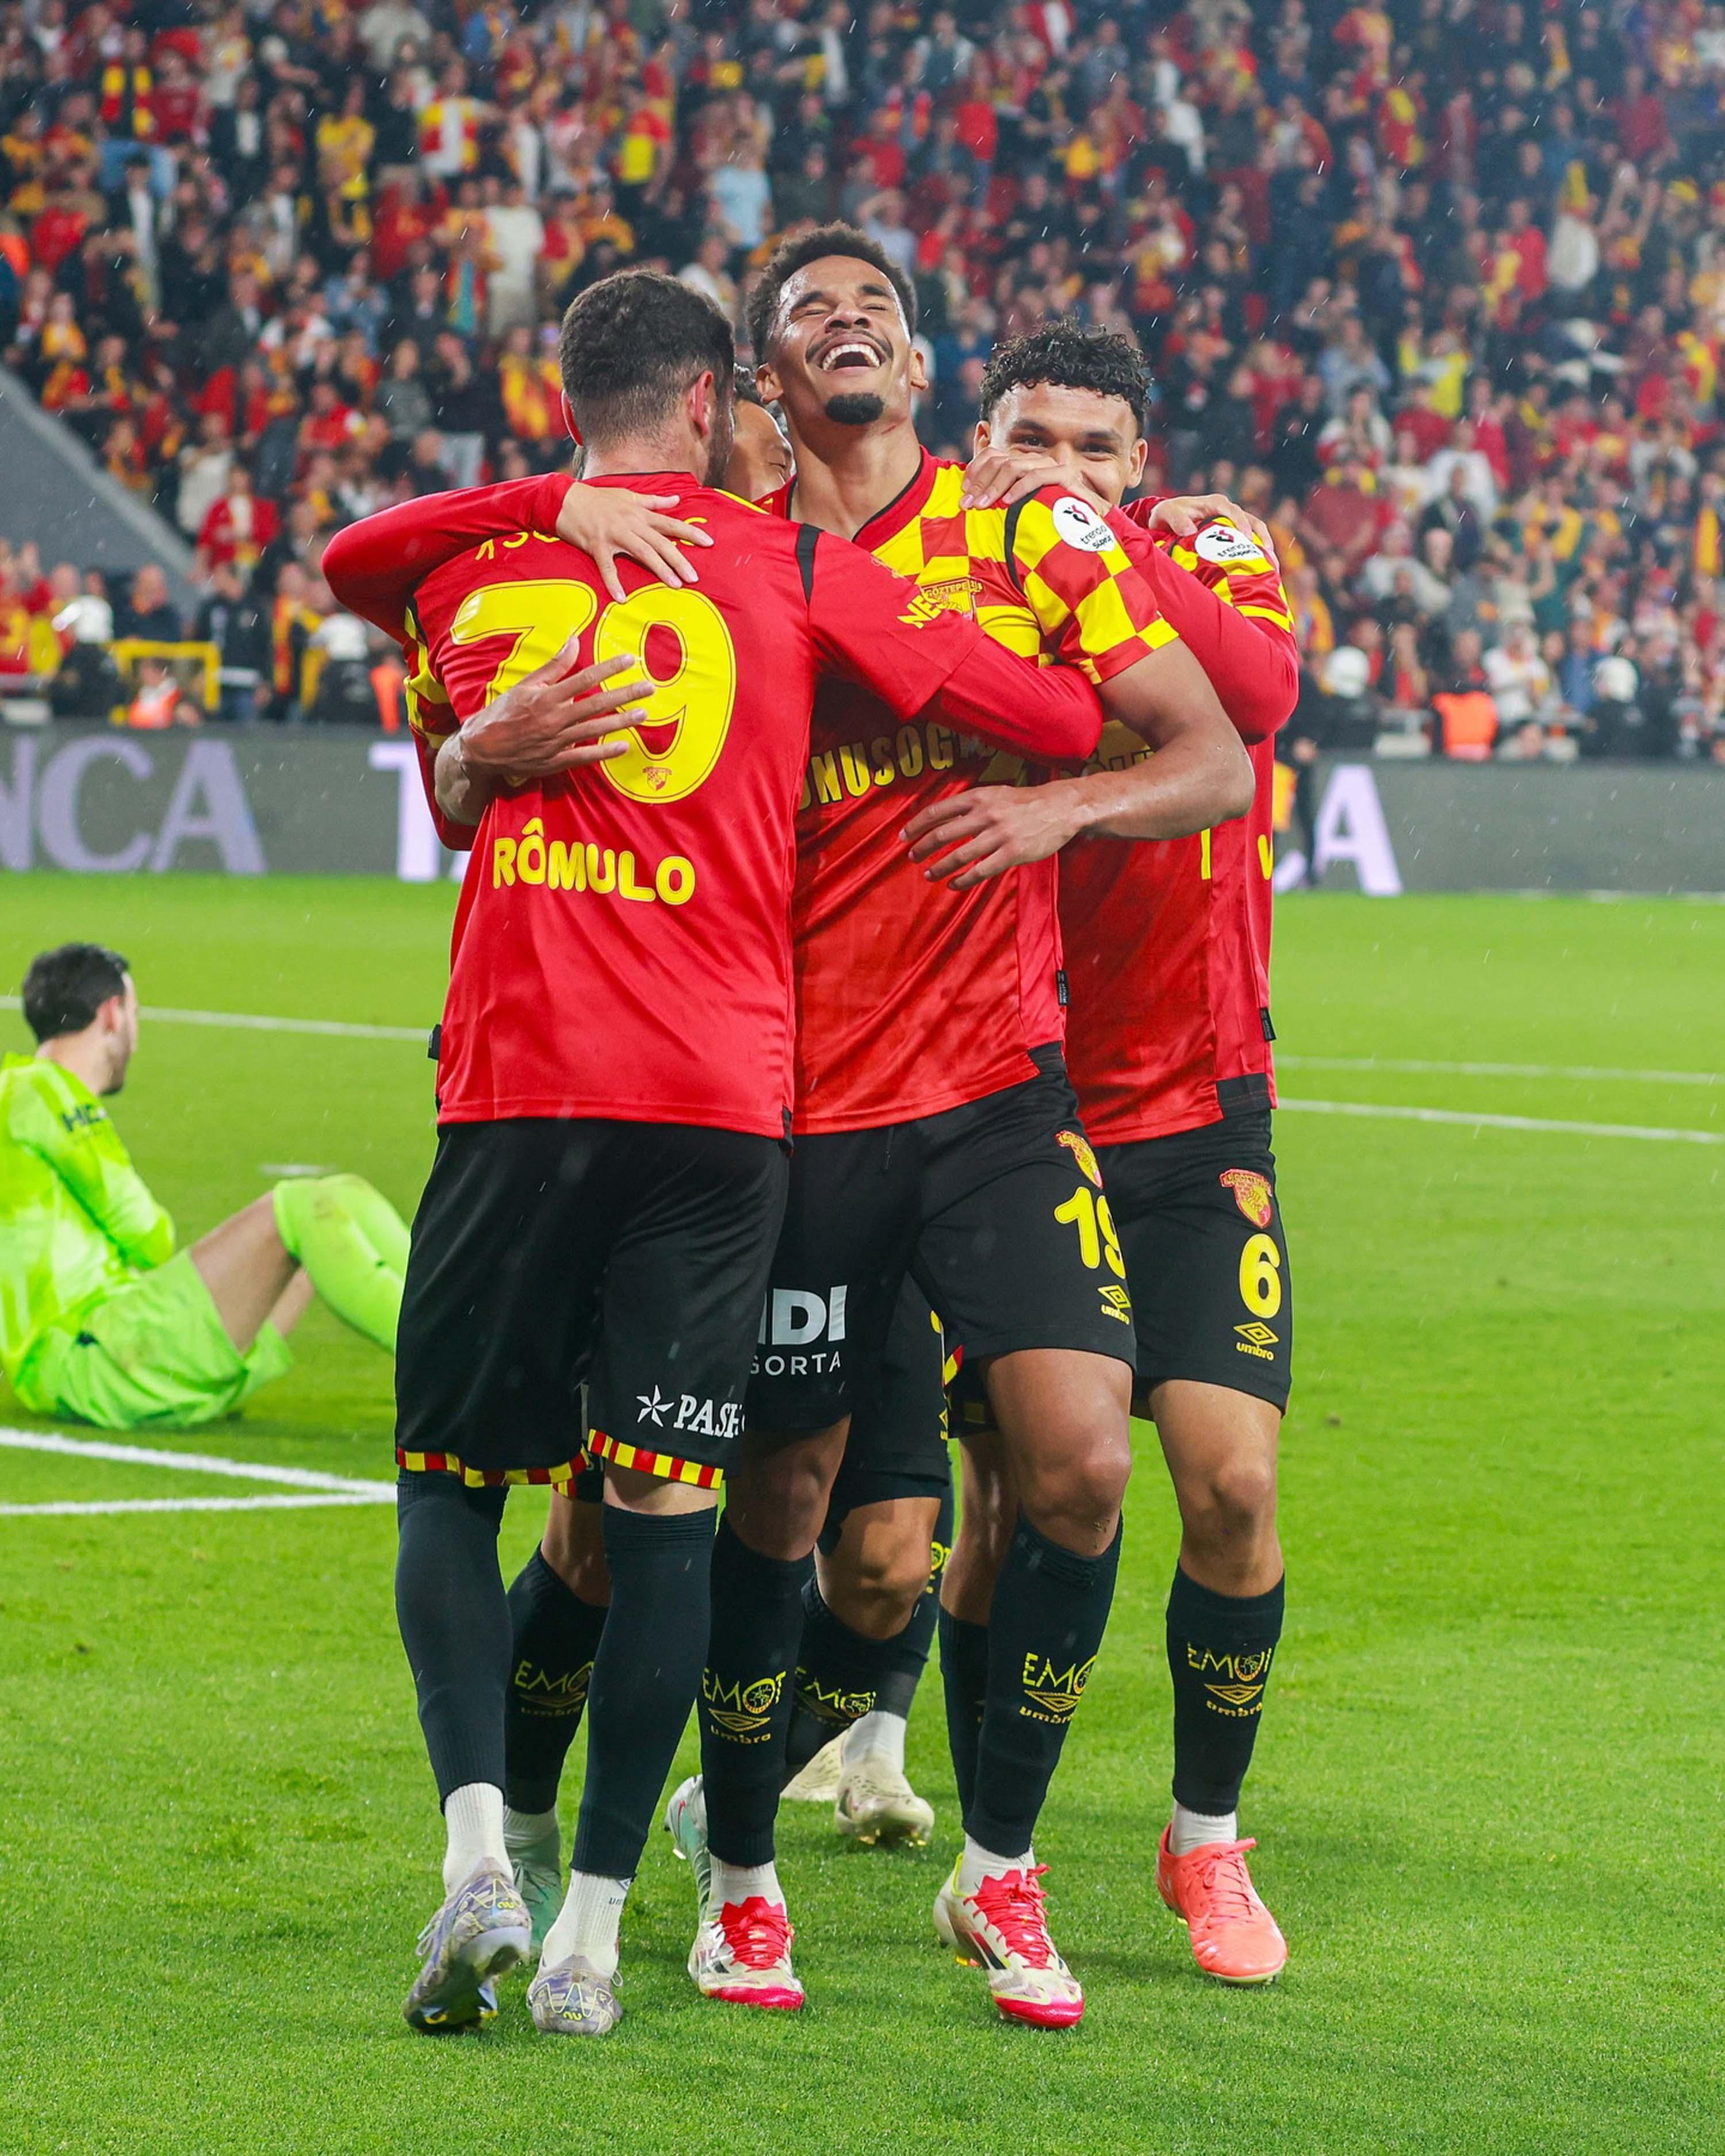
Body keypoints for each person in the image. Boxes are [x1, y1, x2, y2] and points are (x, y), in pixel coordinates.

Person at [324, 266, 1120, 2040]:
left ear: (578, 407)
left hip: (519, 1085)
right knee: (665, 1517)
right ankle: (597, 1933)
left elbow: (354, 568)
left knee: (459, 1489)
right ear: (711, 400)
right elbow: (1062, 718)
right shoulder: (794, 569)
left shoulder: (475, 569)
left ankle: (483, 1845)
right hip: (726, 1104)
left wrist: (539, 534)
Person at [926, 322, 1300, 1986]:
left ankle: (1203, 1839)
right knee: (1019, 1500)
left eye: (1096, 448)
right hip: (1020, 1102)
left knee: (1232, 1481)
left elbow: (1257, 698)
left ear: (1141, 465)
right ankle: (992, 1845)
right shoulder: (954, 574)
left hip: (1201, 1103)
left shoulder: (1209, 552)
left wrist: (1096, 538)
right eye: (1031, 439)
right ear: (977, 441)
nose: (1060, 470)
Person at [0, 944, 408, 1436]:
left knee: (339, 1200)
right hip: (96, 1357)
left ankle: (462, 1317)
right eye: (135, 1014)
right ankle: (453, 1360)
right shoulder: (43, 1092)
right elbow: (150, 1236)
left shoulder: (16, 1094)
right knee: (301, 1208)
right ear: (111, 1015)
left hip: (101, 1358)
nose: (136, 1035)